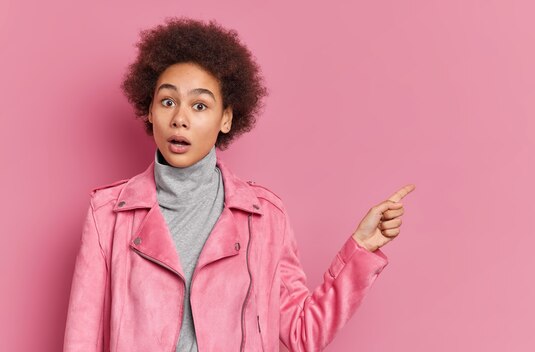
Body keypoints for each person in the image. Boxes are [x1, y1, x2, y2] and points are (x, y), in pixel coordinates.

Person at [62, 17, 415, 352]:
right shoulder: (107, 214)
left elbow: (303, 333)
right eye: (167, 101)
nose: (180, 119)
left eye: (200, 105)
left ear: (226, 118)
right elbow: (81, 340)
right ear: (150, 110)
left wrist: (361, 250)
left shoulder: (263, 217)